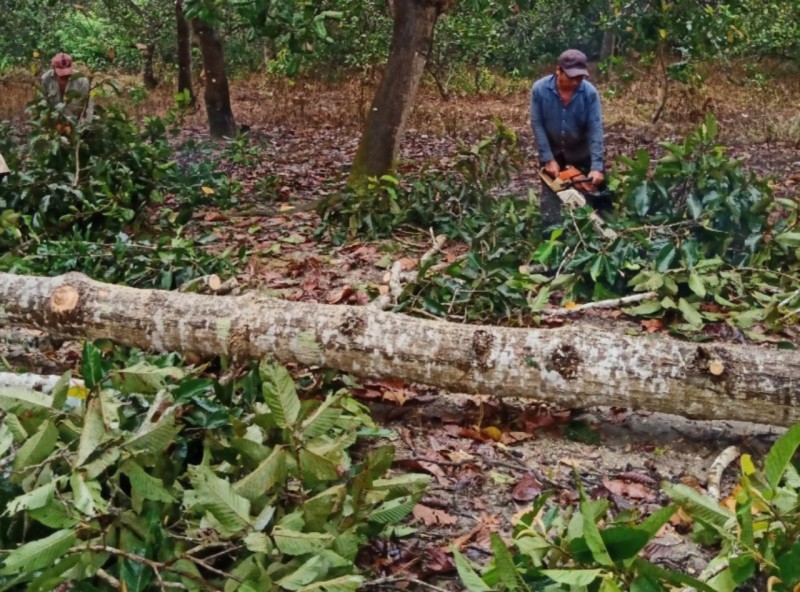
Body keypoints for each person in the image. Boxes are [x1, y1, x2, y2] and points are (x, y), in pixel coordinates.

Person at [530, 49, 605, 231]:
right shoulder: (540, 90)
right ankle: (552, 237)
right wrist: (548, 158)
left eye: (580, 77)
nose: (575, 82)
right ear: (559, 70)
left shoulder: (589, 93)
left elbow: (595, 128)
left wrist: (597, 166)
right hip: (553, 152)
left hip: (581, 152)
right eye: (571, 77)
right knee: (550, 205)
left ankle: (592, 237)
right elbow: (537, 124)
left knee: (591, 204)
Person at [40, 52, 94, 122]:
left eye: (67, 71)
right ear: (53, 67)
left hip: (75, 122)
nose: (65, 75)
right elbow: (42, 101)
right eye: (61, 73)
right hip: (53, 122)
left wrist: (86, 124)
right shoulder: (46, 79)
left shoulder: (82, 80)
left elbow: (88, 105)